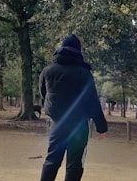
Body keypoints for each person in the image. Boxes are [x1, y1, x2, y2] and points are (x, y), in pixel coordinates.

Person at [39, 34, 108, 181]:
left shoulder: (48, 70)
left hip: (57, 124)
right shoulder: (84, 73)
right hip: (79, 126)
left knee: (52, 161)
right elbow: (93, 101)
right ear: (79, 51)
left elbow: (44, 94)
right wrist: (101, 127)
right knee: (75, 164)